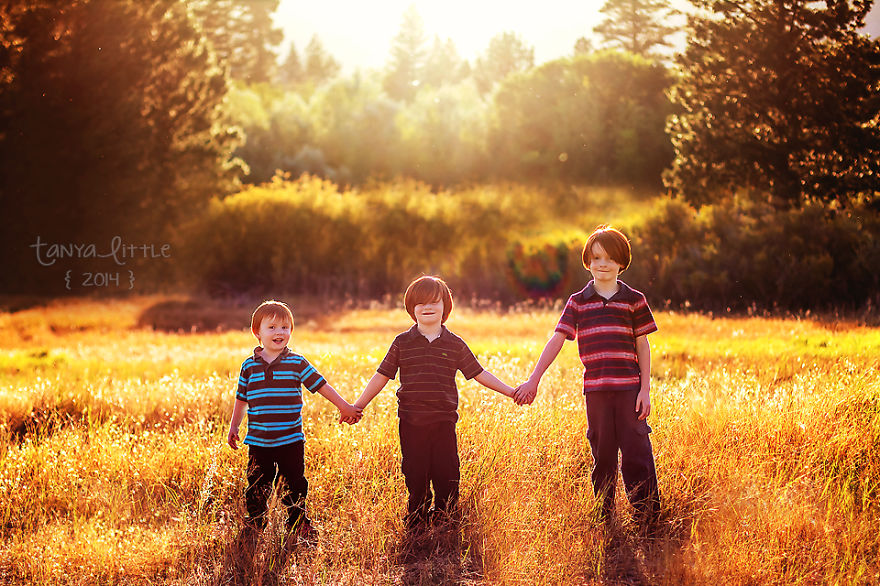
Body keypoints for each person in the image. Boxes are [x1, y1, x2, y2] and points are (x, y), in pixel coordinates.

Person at [514, 226, 660, 529]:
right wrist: (533, 379)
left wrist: (645, 389)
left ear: (622, 262)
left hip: (629, 391)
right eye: (596, 258)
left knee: (637, 453)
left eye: (610, 258)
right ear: (587, 261)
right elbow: (557, 340)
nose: (602, 264)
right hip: (596, 392)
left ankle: (648, 518)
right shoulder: (578, 301)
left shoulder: (634, 299)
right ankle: (604, 517)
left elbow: (642, 344)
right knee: (602, 455)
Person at [353, 275, 517, 530]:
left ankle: (445, 517)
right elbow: (381, 376)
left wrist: (511, 392)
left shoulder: (454, 344)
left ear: (445, 306)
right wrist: (358, 405)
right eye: (420, 303)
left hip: (443, 421)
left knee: (447, 472)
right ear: (411, 309)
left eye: (434, 301)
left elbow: (479, 373)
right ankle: (417, 517)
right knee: (415, 472)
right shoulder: (402, 342)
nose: (427, 307)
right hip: (411, 422)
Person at [227, 300, 361, 541]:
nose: (279, 332)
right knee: (257, 485)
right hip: (258, 441)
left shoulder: (297, 363)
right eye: (272, 327)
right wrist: (234, 426)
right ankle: (255, 523)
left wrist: (344, 407)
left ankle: (298, 522)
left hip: (290, 439)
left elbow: (322, 386)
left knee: (295, 484)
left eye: (285, 327)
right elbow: (241, 398)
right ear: (257, 332)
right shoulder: (248, 366)